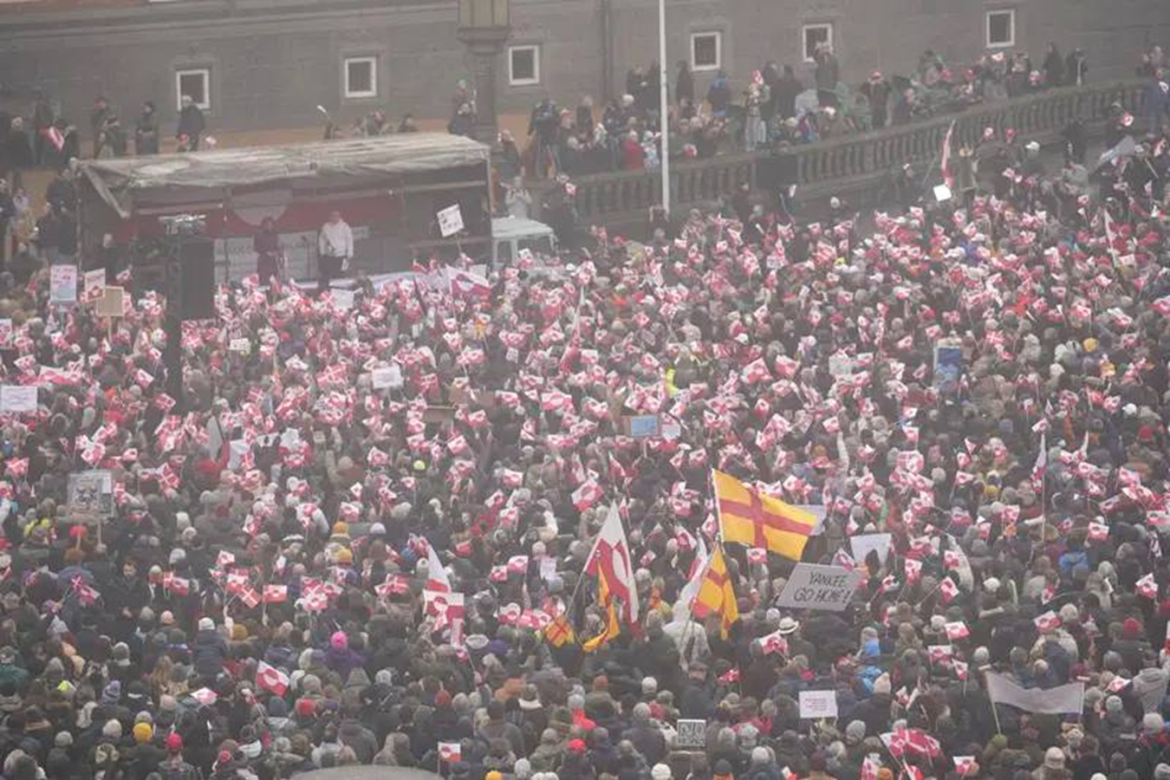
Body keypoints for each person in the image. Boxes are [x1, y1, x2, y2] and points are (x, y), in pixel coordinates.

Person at [317, 209, 352, 293]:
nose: (334, 218)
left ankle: (342, 292)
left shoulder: (345, 226)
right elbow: (321, 240)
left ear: (339, 217)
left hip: (342, 255)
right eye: (332, 216)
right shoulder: (325, 227)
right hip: (329, 256)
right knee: (328, 275)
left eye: (336, 216)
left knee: (341, 274)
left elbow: (349, 240)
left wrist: (350, 253)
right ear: (330, 217)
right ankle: (328, 292)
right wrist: (322, 252)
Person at [254, 217, 282, 286]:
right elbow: (256, 247)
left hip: (273, 260)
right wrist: (265, 252)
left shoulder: (275, 235)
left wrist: (276, 253)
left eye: (271, 225)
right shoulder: (259, 235)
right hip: (263, 260)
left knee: (274, 279)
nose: (269, 226)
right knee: (264, 279)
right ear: (264, 225)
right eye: (267, 225)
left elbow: (278, 247)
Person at [31, 90, 55, 167]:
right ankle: (42, 162)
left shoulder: (40, 104)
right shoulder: (46, 104)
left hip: (41, 128)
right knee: (43, 145)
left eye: (35, 95)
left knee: (38, 146)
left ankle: (39, 163)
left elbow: (42, 117)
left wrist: (42, 126)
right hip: (44, 128)